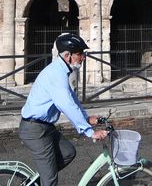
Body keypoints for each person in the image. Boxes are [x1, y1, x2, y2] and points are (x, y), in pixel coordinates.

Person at [19, 33, 109, 186]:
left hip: (45, 127)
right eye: (80, 54)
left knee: (68, 152)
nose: (83, 58)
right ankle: (46, 179)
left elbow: (72, 98)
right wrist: (89, 131)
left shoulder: (62, 71)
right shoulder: (57, 74)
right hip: (35, 130)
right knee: (50, 180)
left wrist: (86, 118)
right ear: (67, 56)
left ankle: (36, 181)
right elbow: (67, 105)